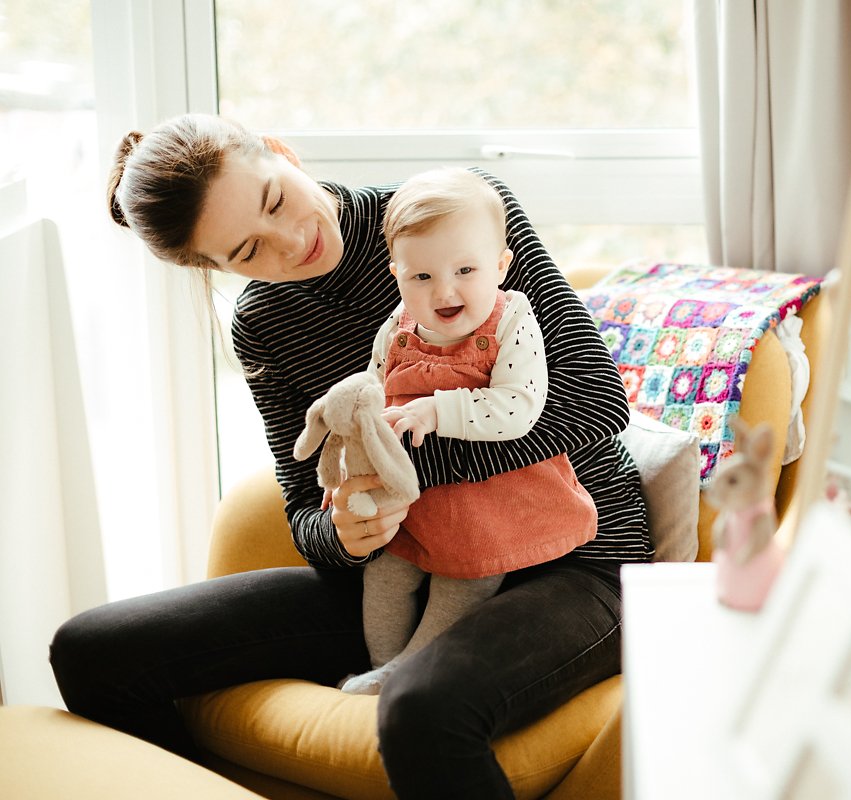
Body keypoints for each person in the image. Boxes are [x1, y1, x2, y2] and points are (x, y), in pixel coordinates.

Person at [50, 113, 652, 799]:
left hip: (574, 564)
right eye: (248, 252)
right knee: (94, 654)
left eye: (276, 200)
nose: (291, 241)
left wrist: (403, 474)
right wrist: (341, 532)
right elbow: (306, 509)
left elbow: (597, 401)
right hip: (416, 569)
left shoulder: (455, 213)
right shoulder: (265, 325)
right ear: (215, 269)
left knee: (421, 710)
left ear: (280, 152)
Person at [338, 167, 598, 695]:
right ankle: (383, 665)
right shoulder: (396, 327)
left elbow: (519, 406)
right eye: (422, 277)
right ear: (397, 275)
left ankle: (407, 669)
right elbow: (374, 388)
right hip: (414, 504)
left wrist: (437, 412)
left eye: (465, 269)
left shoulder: (511, 322)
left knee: (461, 579)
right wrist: (356, 432)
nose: (445, 290)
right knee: (385, 574)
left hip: (491, 502)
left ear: (500, 265)